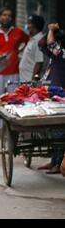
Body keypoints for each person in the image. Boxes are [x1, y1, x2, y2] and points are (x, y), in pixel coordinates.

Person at [0, 7, 29, 139]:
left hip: (14, 72)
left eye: (9, 15)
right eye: (4, 15)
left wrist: (20, 54)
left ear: (12, 18)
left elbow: (28, 43)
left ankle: (14, 129)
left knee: (14, 100)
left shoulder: (18, 32)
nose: (6, 17)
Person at [37, 23, 65, 174]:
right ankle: (54, 161)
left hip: (61, 95)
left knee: (59, 132)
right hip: (54, 94)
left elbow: (49, 43)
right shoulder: (56, 55)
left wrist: (50, 30)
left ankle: (58, 163)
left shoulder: (61, 53)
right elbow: (42, 43)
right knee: (56, 131)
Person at [19, 14, 45, 82]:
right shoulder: (32, 39)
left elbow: (39, 62)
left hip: (30, 81)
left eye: (28, 23)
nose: (26, 26)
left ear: (34, 26)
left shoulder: (39, 41)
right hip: (24, 79)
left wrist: (33, 81)